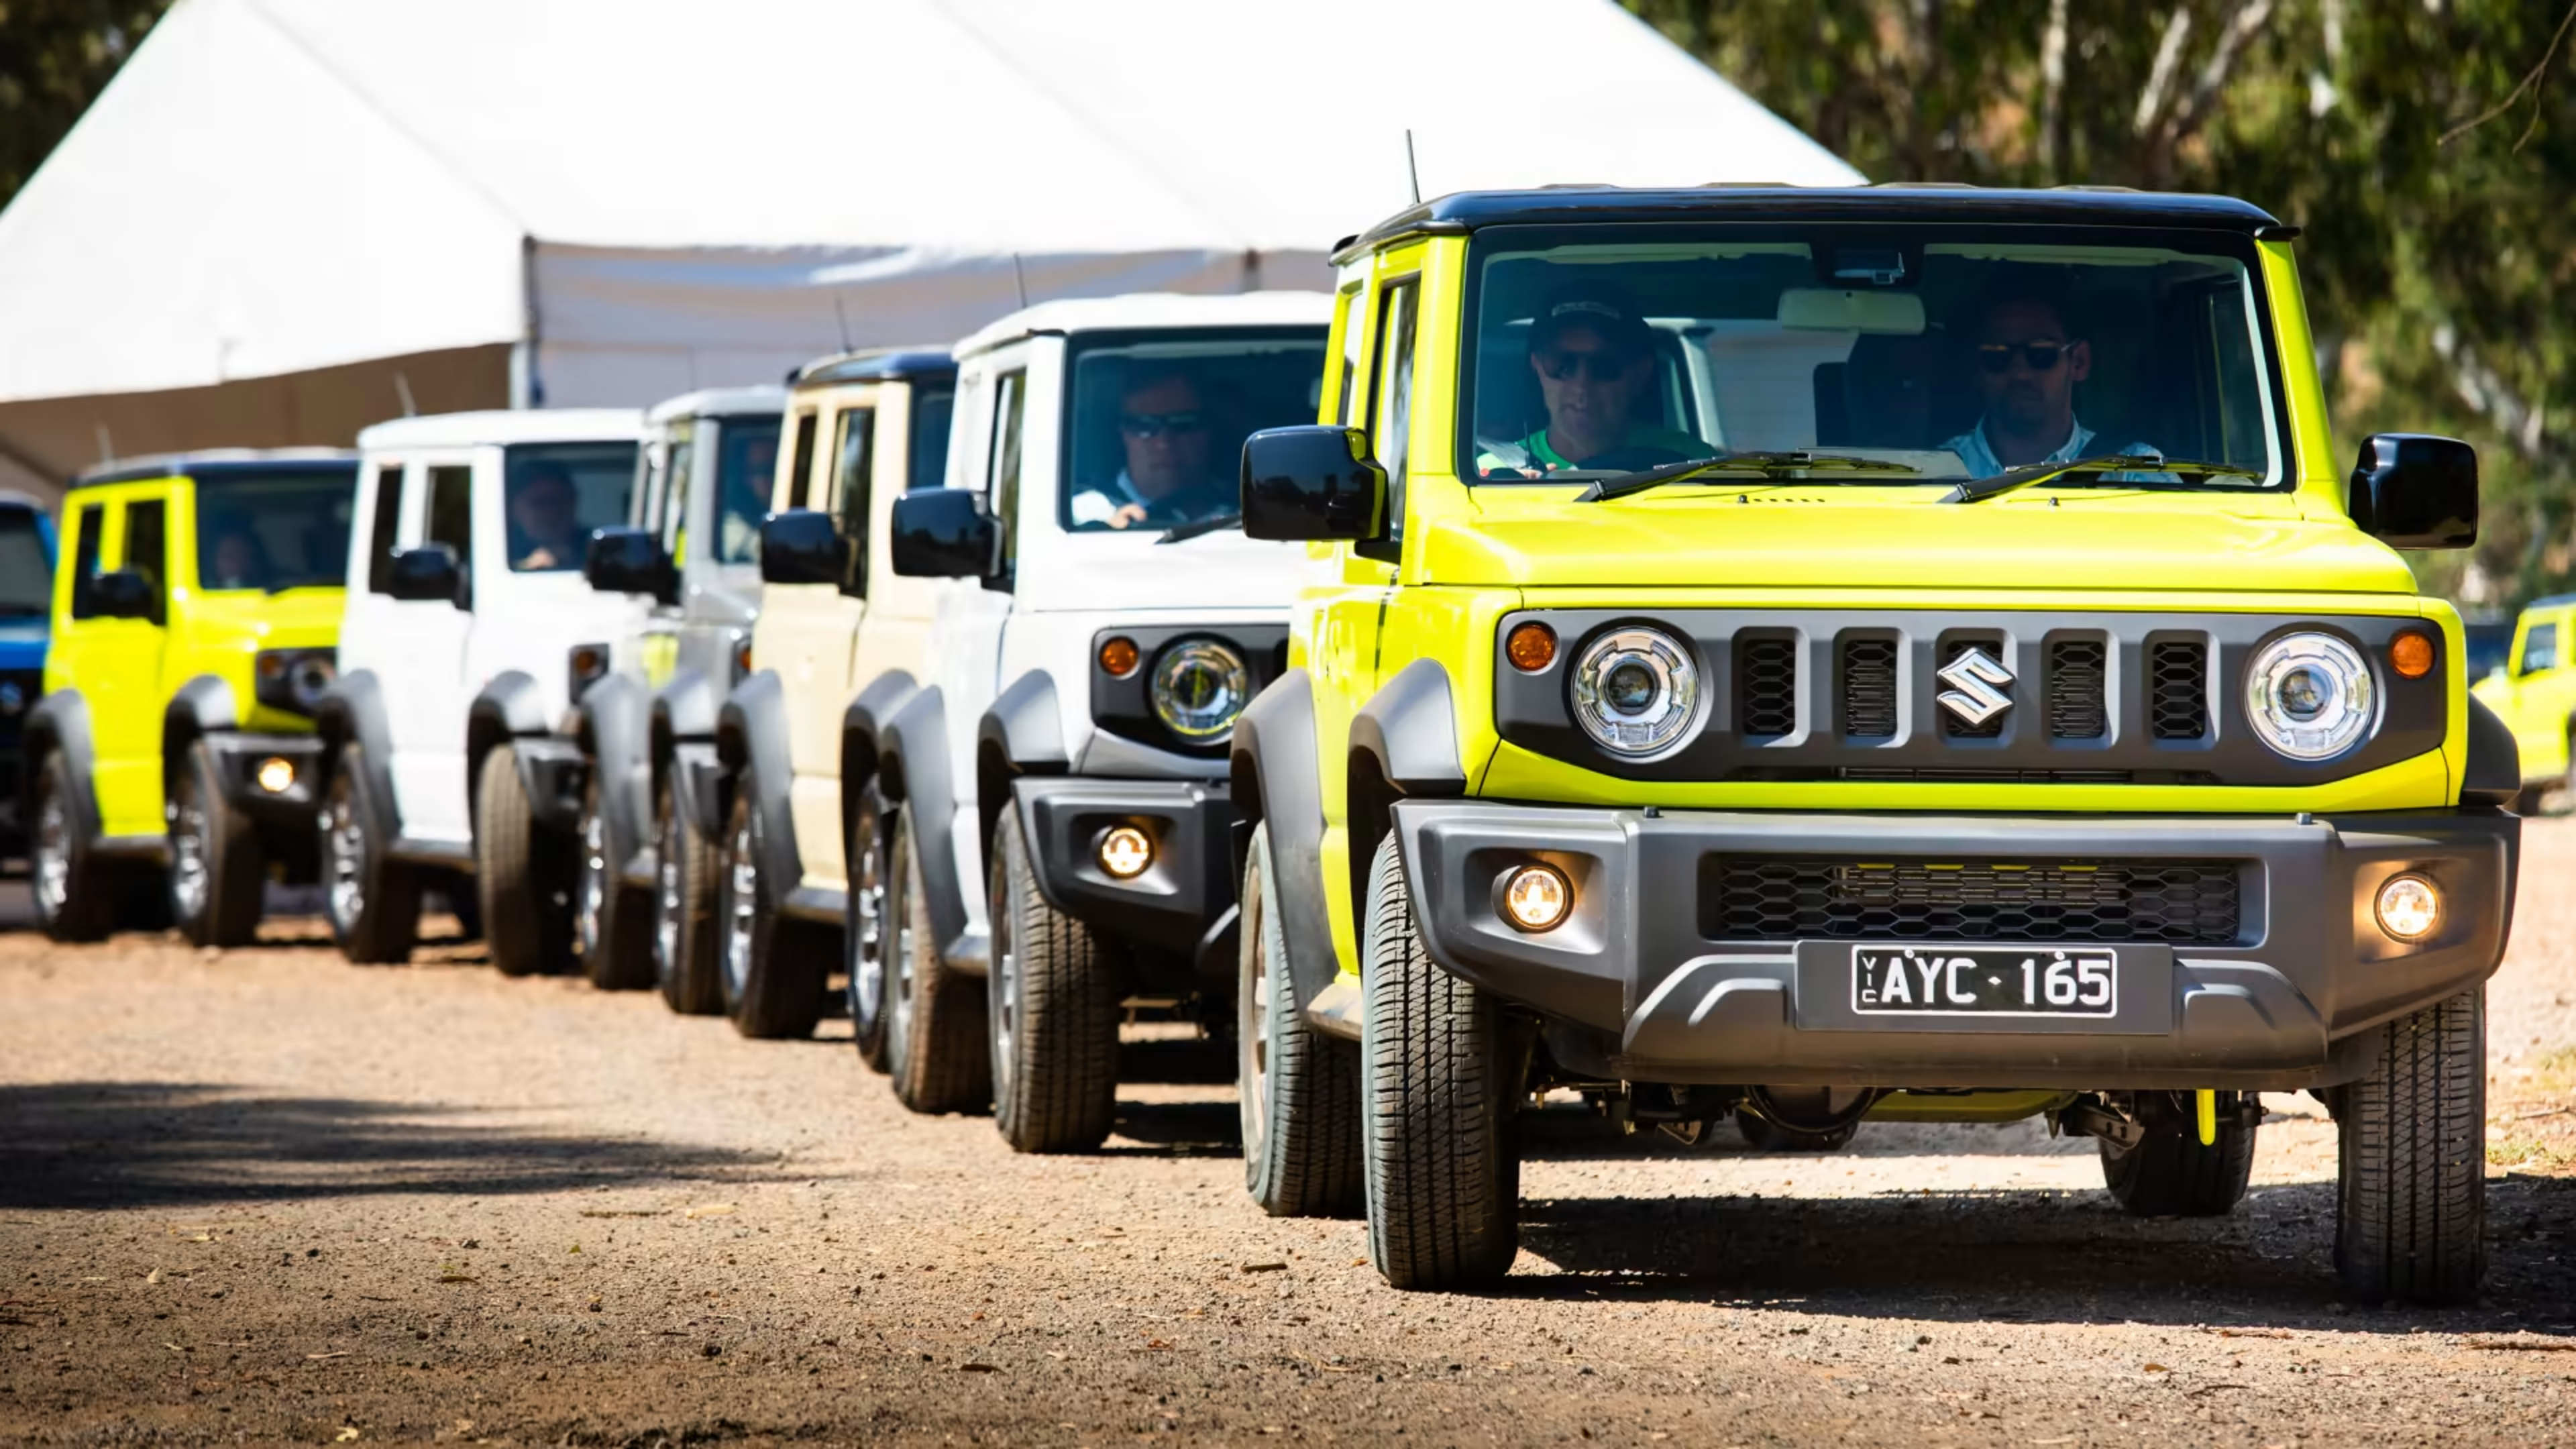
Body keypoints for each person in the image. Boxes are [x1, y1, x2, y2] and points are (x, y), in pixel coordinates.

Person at [1479, 286, 1707, 476]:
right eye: (1563, 364)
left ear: (1639, 374)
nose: (1581, 385)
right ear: (1537, 367)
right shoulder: (1491, 473)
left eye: (1605, 365)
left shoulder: (1696, 464)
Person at [1940, 282, 2155, 477]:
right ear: (1977, 368)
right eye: (1997, 356)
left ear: (2079, 362)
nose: (2020, 374)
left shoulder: (2135, 471)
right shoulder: (1936, 473)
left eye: (2041, 354)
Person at [1071, 369, 1234, 529]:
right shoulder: (1080, 515)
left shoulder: (1247, 509)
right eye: (1144, 426)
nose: (1164, 442)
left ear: (1209, 431)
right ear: (1123, 435)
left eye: (1183, 423)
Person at [508, 463, 588, 570]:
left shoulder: (597, 545)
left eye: (558, 501)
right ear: (515, 509)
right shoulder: (499, 549)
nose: (551, 512)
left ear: (574, 502)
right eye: (539, 503)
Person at [204, 525, 266, 590]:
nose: (236, 566)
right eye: (228, 557)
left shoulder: (270, 590)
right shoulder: (199, 595)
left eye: (244, 557)